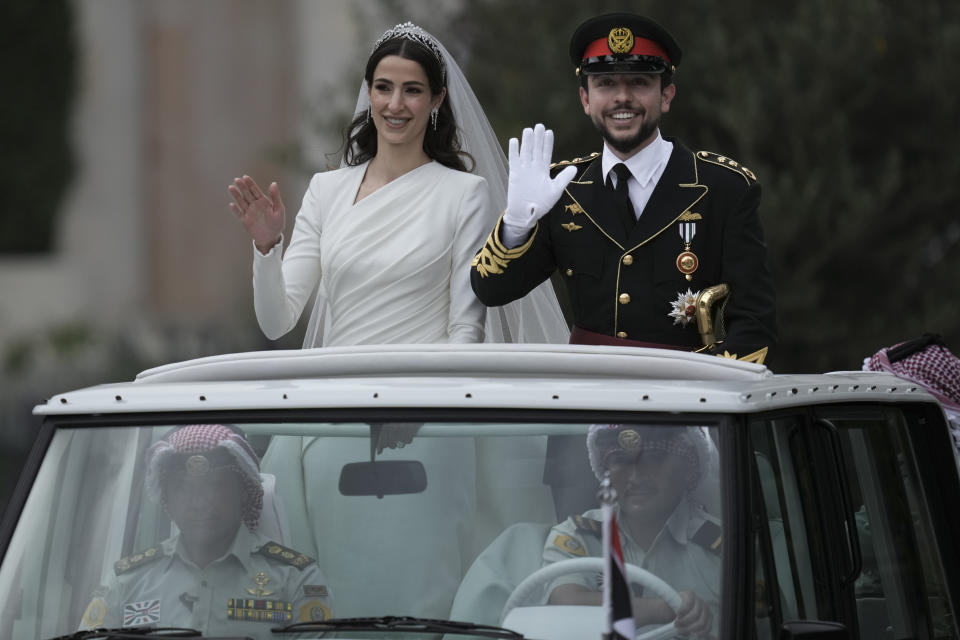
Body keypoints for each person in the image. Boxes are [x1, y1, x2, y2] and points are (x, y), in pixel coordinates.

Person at [229, 22, 567, 347]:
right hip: (337, 392)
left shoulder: (465, 193)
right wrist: (267, 247)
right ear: (369, 91)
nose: (395, 104)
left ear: (437, 99)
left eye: (413, 90)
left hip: (420, 395)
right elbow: (277, 323)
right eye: (384, 87)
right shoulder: (324, 190)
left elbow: (466, 327)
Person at [471, 12, 776, 365]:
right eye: (606, 84)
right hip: (590, 393)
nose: (622, 98)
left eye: (639, 82)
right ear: (585, 99)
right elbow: (491, 291)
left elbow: (755, 325)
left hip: (688, 400)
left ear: (666, 96)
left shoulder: (723, 188)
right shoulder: (563, 189)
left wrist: (700, 394)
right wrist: (516, 224)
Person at [78, 424, 332, 637]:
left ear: (243, 490)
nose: (199, 502)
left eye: (215, 486)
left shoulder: (295, 579)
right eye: (183, 488)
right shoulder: (128, 581)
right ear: (167, 496)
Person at [542, 424, 720, 636]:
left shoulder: (728, 546)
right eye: (621, 461)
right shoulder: (578, 534)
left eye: (655, 458)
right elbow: (566, 605)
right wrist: (663, 608)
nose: (636, 477)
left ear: (688, 468)